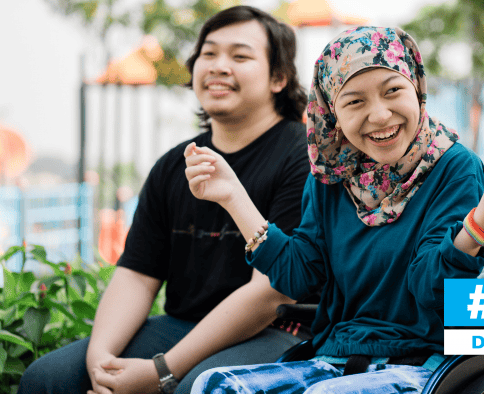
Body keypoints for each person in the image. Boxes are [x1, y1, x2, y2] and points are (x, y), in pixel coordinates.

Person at [185, 26, 484, 393]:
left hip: (423, 362)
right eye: (355, 101)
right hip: (333, 359)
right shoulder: (329, 177)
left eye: (393, 91)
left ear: (416, 88)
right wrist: (233, 197)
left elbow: (430, 288)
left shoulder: (453, 167)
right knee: (213, 385)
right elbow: (299, 277)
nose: (381, 115)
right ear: (332, 114)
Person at [18, 6, 309, 394]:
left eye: (240, 56)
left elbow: (272, 291)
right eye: (208, 53)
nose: (219, 66)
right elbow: (137, 274)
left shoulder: (303, 158)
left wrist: (163, 371)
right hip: (183, 324)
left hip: (280, 329)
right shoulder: (174, 164)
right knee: (49, 378)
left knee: (199, 387)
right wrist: (99, 361)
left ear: (279, 78)